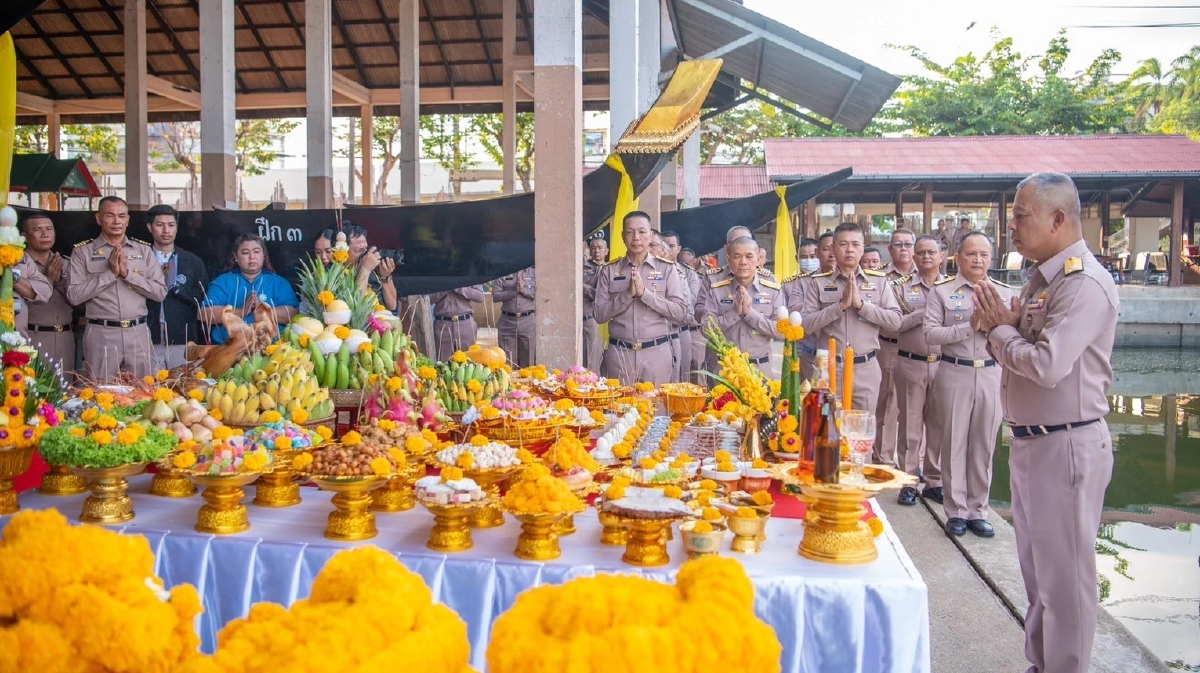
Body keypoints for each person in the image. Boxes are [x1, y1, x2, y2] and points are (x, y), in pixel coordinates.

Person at [974, 172, 1118, 673]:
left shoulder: (1084, 285)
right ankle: (1042, 665)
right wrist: (1006, 330)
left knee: (1067, 583)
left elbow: (1046, 365)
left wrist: (999, 332)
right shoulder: (1043, 279)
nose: (1010, 226)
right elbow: (1025, 345)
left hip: (1068, 446)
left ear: (1058, 219)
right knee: (1038, 577)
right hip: (1036, 443)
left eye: (1020, 216)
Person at [924, 231, 1012, 538]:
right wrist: (969, 326)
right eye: (971, 254)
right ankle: (956, 511)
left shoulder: (1002, 292)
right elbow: (931, 334)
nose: (978, 260)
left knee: (983, 444)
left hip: (991, 373)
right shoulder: (942, 292)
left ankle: (979, 510)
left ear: (991, 259)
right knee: (954, 443)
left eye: (984, 255)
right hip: (954, 371)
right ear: (958, 258)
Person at [800, 222, 900, 413]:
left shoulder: (878, 282)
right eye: (843, 244)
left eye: (855, 244)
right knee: (827, 433)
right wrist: (840, 306)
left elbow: (895, 321)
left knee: (861, 434)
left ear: (862, 249)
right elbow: (806, 325)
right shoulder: (819, 283)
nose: (850, 250)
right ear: (833, 249)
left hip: (866, 368)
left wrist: (862, 306)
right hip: (829, 370)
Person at [67, 195, 166, 380]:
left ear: (128, 220)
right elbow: (74, 295)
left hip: (137, 332)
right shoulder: (83, 252)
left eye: (121, 216)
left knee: (142, 393)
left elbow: (160, 292)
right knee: (100, 393)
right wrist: (110, 274)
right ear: (98, 218)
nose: (116, 221)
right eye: (110, 215)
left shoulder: (143, 250)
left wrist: (127, 275)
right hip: (101, 332)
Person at [593, 211, 688, 385]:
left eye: (642, 232)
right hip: (620, 353)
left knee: (655, 409)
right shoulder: (609, 270)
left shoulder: (666, 269)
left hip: (656, 353)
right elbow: (599, 315)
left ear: (651, 235)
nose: (636, 237)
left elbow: (680, 312)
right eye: (630, 232)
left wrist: (645, 294)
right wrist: (627, 295)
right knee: (620, 409)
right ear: (623, 236)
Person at [892, 235, 946, 506]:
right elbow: (895, 323)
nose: (926, 256)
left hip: (943, 363)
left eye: (931, 252)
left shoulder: (951, 288)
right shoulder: (900, 287)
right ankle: (908, 480)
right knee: (910, 426)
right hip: (910, 362)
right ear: (913, 257)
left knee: (937, 425)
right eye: (921, 252)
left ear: (941, 257)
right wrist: (927, 311)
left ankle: (934, 481)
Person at [699, 236, 784, 374]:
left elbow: (781, 333)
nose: (743, 262)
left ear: (758, 259)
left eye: (749, 256)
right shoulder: (717, 290)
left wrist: (750, 314)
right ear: (728, 260)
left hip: (759, 369)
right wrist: (733, 314)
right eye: (737, 256)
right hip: (725, 369)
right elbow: (705, 329)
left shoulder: (773, 290)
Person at [874, 228, 919, 465]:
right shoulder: (880, 277)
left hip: (921, 350)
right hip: (890, 346)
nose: (903, 248)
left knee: (916, 411)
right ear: (889, 249)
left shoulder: (928, 275)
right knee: (888, 405)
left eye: (908, 244)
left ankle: (913, 463)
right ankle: (883, 458)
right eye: (898, 244)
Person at [200, 234, 298, 344]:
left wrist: (264, 311)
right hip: (227, 350)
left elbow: (294, 314)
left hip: (272, 350)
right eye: (245, 253)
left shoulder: (278, 283)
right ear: (236, 256)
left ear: (263, 255)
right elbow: (204, 314)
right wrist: (240, 311)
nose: (252, 257)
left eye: (256, 251)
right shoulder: (223, 282)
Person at [144, 205, 208, 369]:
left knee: (184, 387)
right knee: (149, 388)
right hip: (147, 339)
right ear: (150, 227)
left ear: (177, 228)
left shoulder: (192, 261)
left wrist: (177, 288)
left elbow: (202, 299)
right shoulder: (141, 260)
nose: (166, 230)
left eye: (171, 225)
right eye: (160, 225)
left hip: (183, 341)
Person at [20, 212, 74, 373]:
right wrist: (47, 280)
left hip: (65, 335)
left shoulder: (65, 262)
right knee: (34, 391)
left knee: (65, 392)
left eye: (49, 229)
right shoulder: (19, 263)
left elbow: (78, 300)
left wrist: (58, 281)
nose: (45, 234)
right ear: (24, 236)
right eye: (37, 230)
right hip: (34, 335)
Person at [658, 230, 703, 382]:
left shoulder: (686, 274)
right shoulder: (652, 272)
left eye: (671, 245)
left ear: (678, 248)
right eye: (663, 245)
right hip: (656, 333)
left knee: (681, 379)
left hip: (680, 329)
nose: (667, 249)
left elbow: (690, 306)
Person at [782, 237, 820, 379]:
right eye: (804, 257)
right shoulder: (789, 284)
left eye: (813, 256)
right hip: (799, 345)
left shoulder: (826, 281)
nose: (809, 261)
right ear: (797, 258)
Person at [344, 224, 398, 312]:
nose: (366, 255)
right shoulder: (339, 276)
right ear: (343, 251)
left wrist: (385, 277)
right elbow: (356, 309)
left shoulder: (370, 271)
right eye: (359, 250)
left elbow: (392, 305)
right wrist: (365, 269)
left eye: (366, 249)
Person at [492, 267, 537, 367]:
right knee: (507, 361)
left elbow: (541, 294)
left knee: (528, 362)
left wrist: (523, 290)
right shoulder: (502, 272)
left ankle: (527, 382)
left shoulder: (534, 272)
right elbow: (496, 296)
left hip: (528, 320)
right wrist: (512, 292)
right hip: (507, 321)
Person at [429, 285, 485, 360]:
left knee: (467, 362)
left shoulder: (470, 273)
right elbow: (428, 298)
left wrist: (459, 287)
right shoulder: (435, 274)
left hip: (465, 324)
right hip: (442, 326)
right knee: (442, 364)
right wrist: (445, 287)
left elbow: (480, 297)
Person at [582, 240, 604, 370]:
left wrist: (581, 286)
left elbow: (598, 295)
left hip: (590, 319)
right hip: (573, 320)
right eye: (593, 248)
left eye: (600, 248)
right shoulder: (583, 266)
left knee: (591, 363)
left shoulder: (602, 269)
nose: (596, 251)